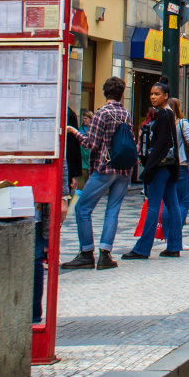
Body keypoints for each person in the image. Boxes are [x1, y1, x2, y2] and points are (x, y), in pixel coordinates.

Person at [61, 77, 133, 271]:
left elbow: (90, 143)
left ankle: (86, 253)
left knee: (82, 209)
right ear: (122, 93)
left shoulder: (102, 113)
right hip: (124, 169)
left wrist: (75, 132)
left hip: (105, 169)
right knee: (113, 210)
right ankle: (105, 254)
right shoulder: (126, 114)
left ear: (105, 92)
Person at [125, 81, 189, 260]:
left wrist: (148, 168)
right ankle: (174, 245)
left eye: (157, 94)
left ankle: (143, 248)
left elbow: (161, 144)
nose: (153, 97)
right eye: (152, 94)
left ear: (166, 96)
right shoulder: (169, 114)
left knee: (153, 206)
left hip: (159, 167)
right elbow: (171, 144)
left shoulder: (162, 115)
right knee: (172, 205)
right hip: (169, 166)